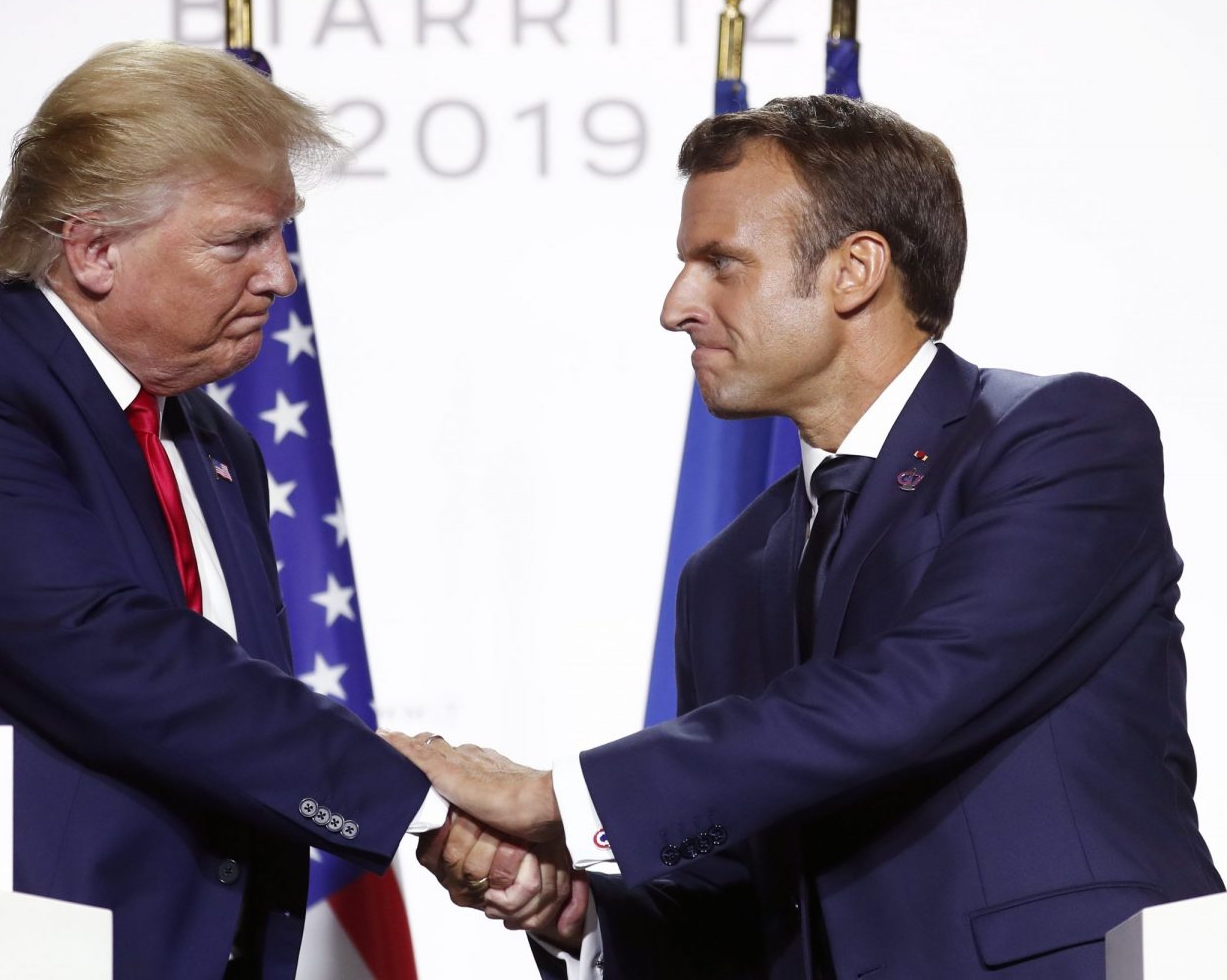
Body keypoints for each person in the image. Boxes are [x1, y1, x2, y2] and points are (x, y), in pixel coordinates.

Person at [386, 95, 1223, 979]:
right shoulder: (726, 572)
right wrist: (578, 912)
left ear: (855, 270)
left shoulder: (1062, 437)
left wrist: (554, 796)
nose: (676, 306)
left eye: (720, 263)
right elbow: (746, 897)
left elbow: (917, 686)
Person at [0, 41, 435, 980]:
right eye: (240, 241)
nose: (281, 276)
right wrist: (424, 802)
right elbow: (103, 646)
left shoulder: (214, 444)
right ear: (95, 249)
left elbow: (226, 711)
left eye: (283, 235)